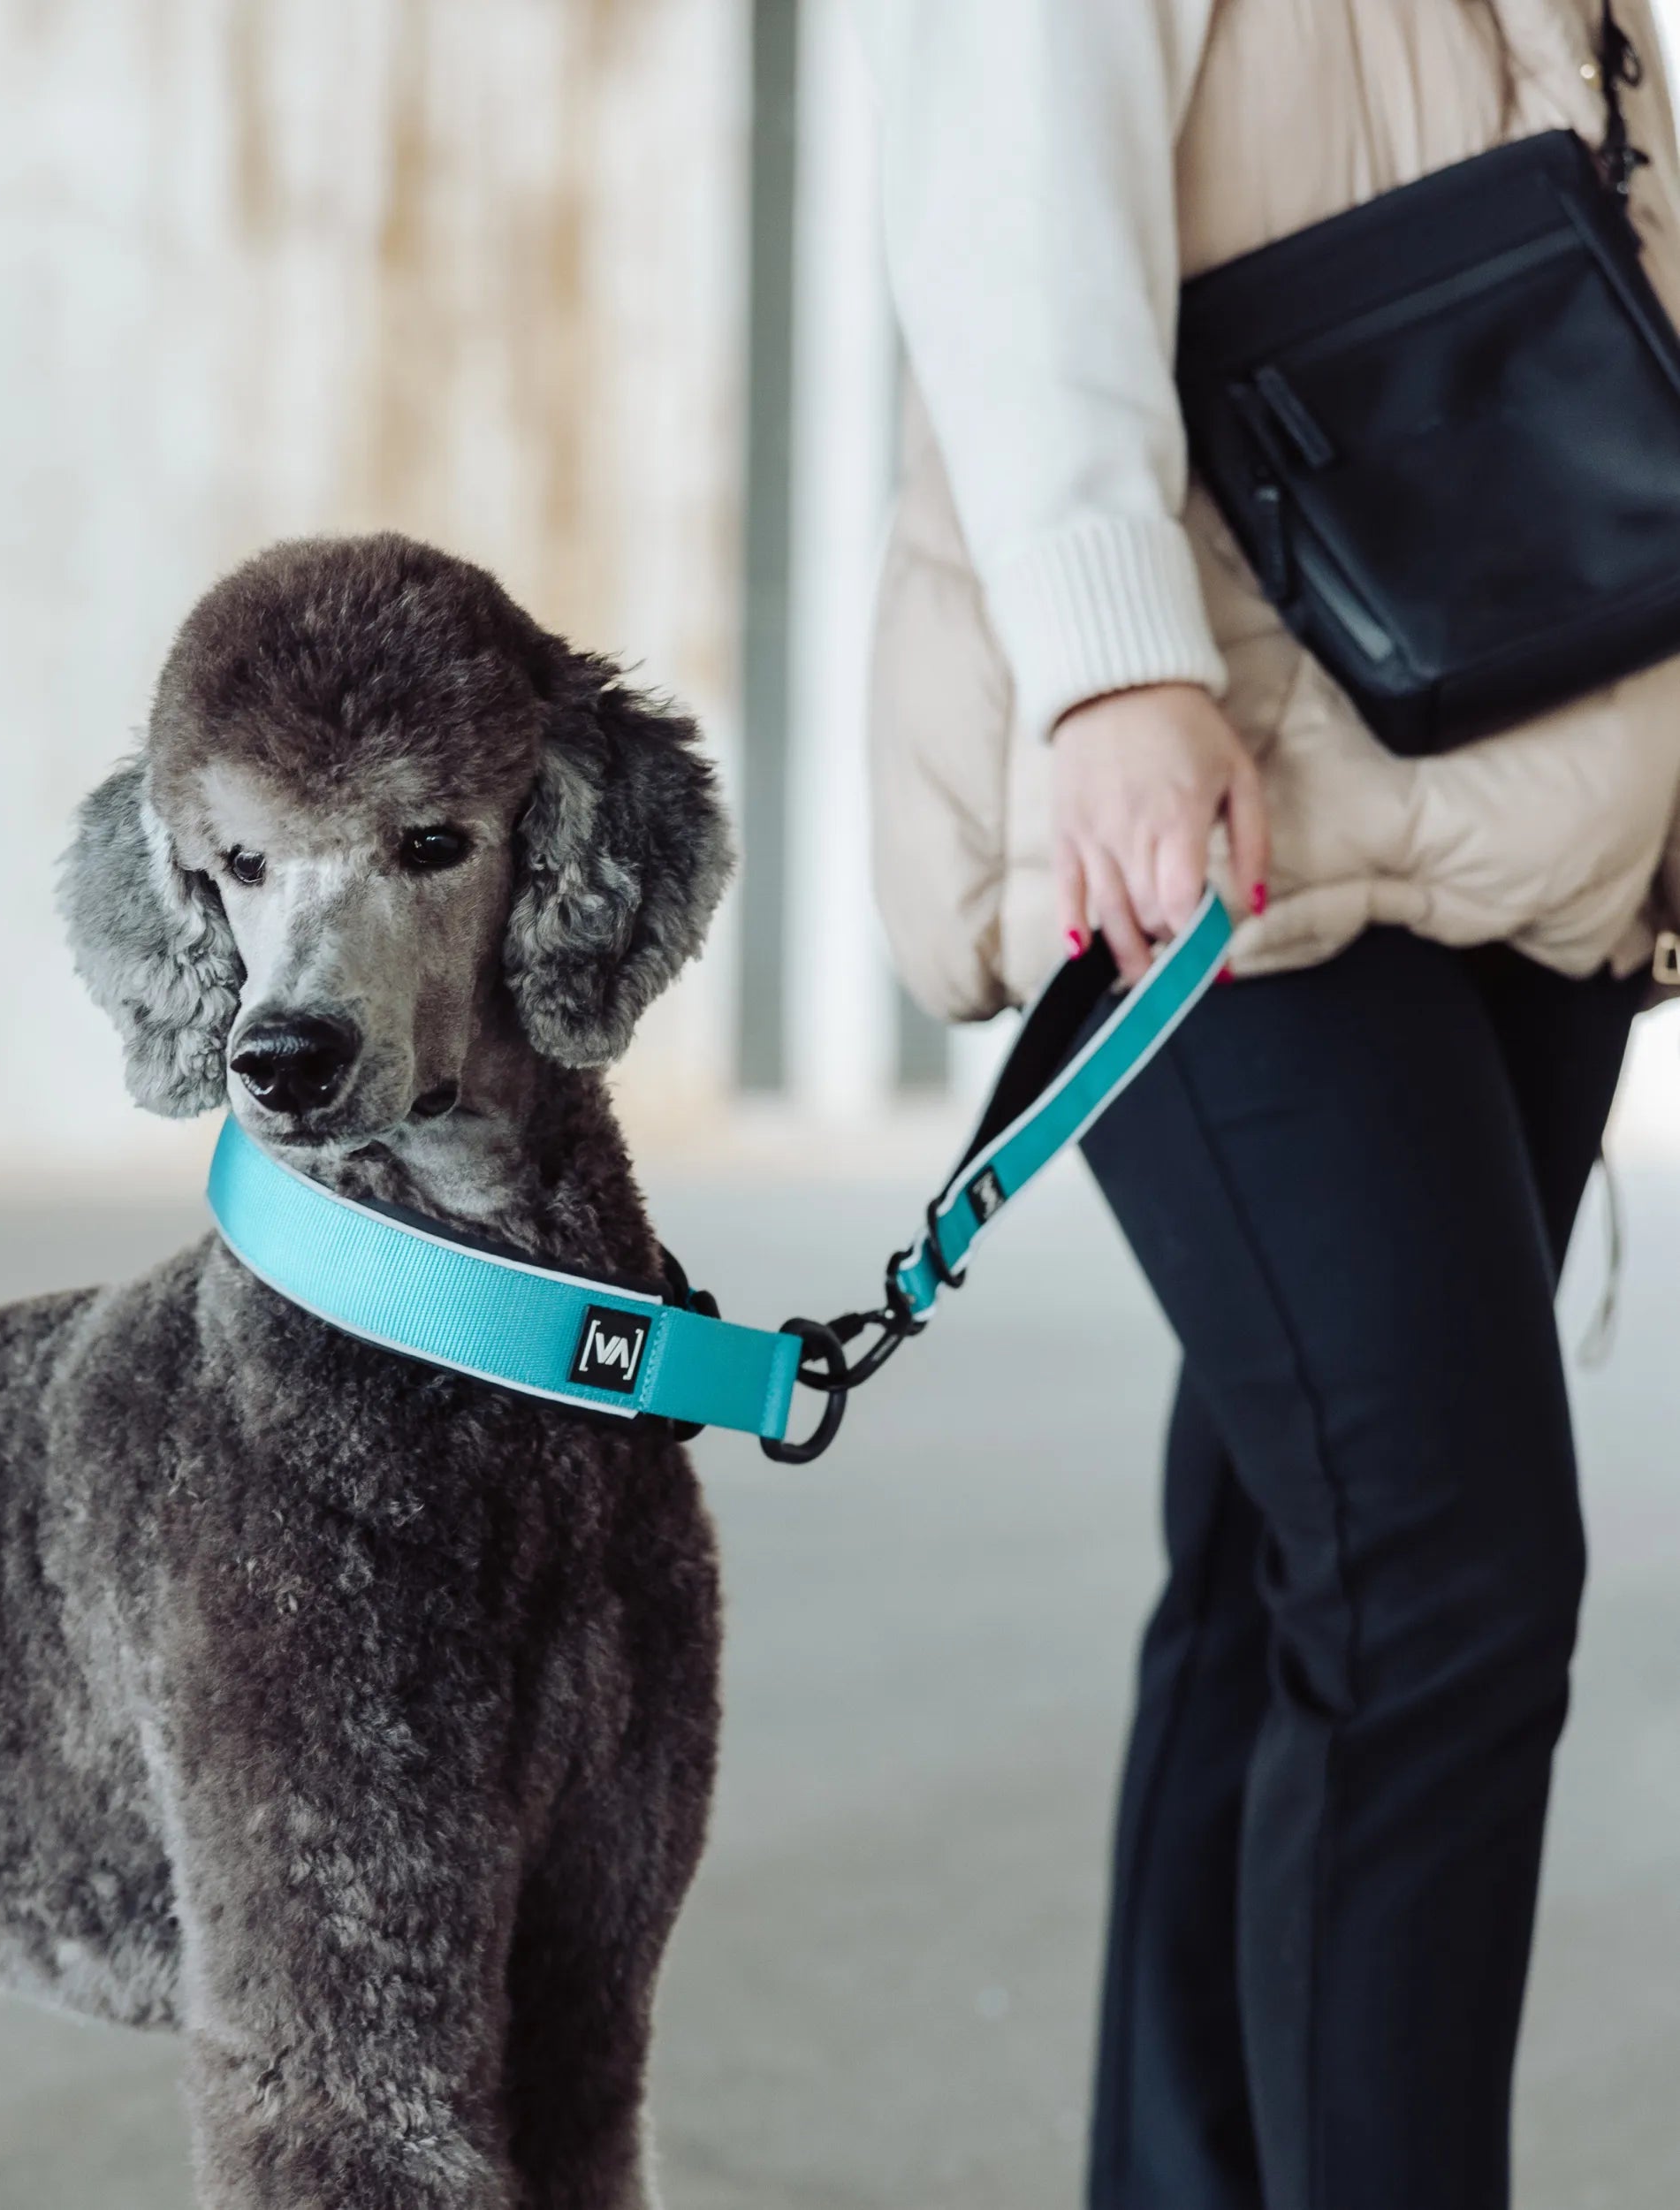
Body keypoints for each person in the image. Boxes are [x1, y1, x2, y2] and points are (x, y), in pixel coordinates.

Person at [852, 4, 1680, 2206]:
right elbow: (1006, 181)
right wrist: (1109, 659)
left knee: (1287, 1584)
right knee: (1441, 1580)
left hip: (1518, 788)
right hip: (1215, 794)